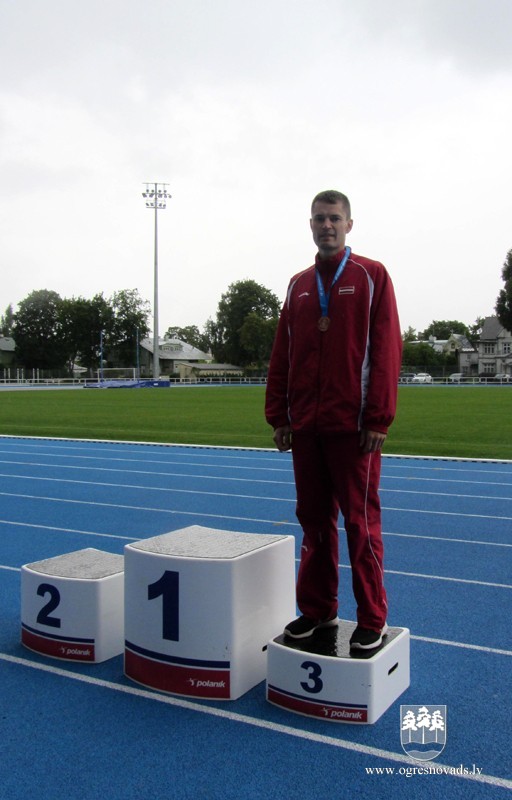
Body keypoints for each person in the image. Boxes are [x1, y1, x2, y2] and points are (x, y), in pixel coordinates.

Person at [265, 189, 402, 650]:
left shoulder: (371, 275)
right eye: (320, 218)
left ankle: (372, 618)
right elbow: (282, 354)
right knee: (314, 522)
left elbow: (387, 349)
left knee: (360, 525)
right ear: (310, 224)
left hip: (353, 428)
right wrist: (279, 414)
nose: (327, 225)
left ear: (348, 224)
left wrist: (378, 416)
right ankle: (318, 610)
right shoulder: (298, 285)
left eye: (335, 218)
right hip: (307, 425)